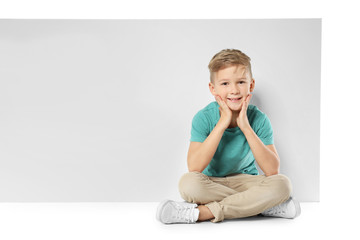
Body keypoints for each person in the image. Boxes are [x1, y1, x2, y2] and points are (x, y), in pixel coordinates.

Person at [156, 49, 301, 224]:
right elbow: (194, 167)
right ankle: (262, 206)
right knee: (187, 184)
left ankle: (202, 213)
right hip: (212, 182)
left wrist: (246, 127)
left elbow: (272, 171)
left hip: (247, 181)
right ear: (213, 88)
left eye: (240, 82)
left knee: (282, 184)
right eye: (225, 84)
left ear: (251, 85)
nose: (234, 90)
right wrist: (222, 123)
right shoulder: (203, 118)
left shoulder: (259, 119)